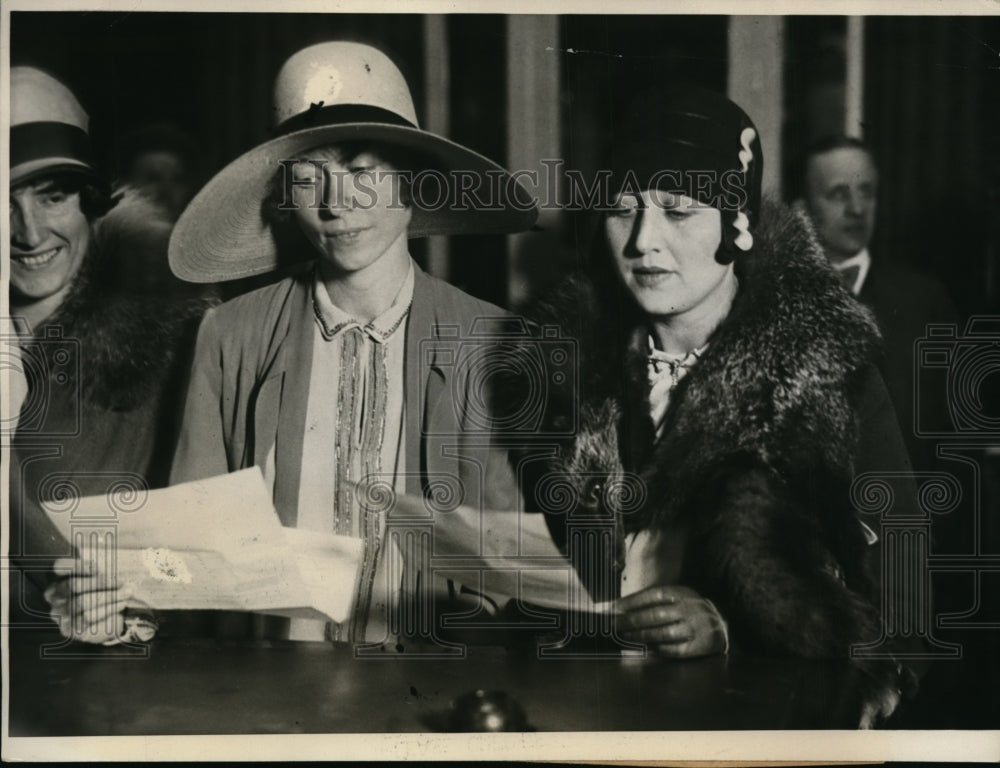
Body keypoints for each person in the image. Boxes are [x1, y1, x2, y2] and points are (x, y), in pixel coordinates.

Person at [524, 86, 919, 727]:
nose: (643, 242)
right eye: (623, 210)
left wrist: (732, 625)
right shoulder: (565, 377)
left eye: (678, 211)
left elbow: (900, 606)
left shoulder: (829, 376)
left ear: (738, 224)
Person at [156, 41, 535, 644]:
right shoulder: (229, 335)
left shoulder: (492, 342)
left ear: (411, 180)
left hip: (432, 686)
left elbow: (513, 561)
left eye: (362, 172)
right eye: (308, 179)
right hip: (269, 691)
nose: (336, 205)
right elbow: (184, 552)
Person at [7, 66, 211, 643]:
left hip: (116, 679)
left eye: (52, 196)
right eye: (3, 202)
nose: (29, 231)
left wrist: (127, 615)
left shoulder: (173, 338)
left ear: (93, 198)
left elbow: (200, 552)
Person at [794, 136, 960, 474]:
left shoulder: (924, 302)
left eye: (866, 191)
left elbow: (954, 441)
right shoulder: (781, 302)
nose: (857, 208)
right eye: (838, 194)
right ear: (802, 208)